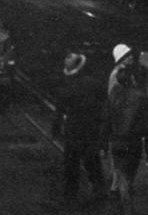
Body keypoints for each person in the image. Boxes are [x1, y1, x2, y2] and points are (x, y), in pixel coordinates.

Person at [52, 51, 106, 203]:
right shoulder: (94, 84)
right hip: (91, 128)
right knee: (92, 161)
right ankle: (99, 189)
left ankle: (71, 194)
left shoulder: (66, 89)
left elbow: (59, 111)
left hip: (73, 130)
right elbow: (103, 101)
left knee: (71, 164)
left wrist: (55, 130)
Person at [102, 57, 148, 215]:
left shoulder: (113, 96)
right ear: (132, 79)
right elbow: (146, 124)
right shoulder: (140, 97)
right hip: (133, 142)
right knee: (129, 177)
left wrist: (103, 144)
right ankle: (128, 207)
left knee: (121, 174)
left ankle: (122, 205)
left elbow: (106, 121)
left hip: (117, 141)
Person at [107, 43, 136, 198]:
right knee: (119, 154)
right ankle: (116, 186)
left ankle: (116, 183)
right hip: (120, 119)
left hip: (123, 118)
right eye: (128, 56)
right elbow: (113, 99)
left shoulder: (125, 74)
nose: (132, 57)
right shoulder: (117, 75)